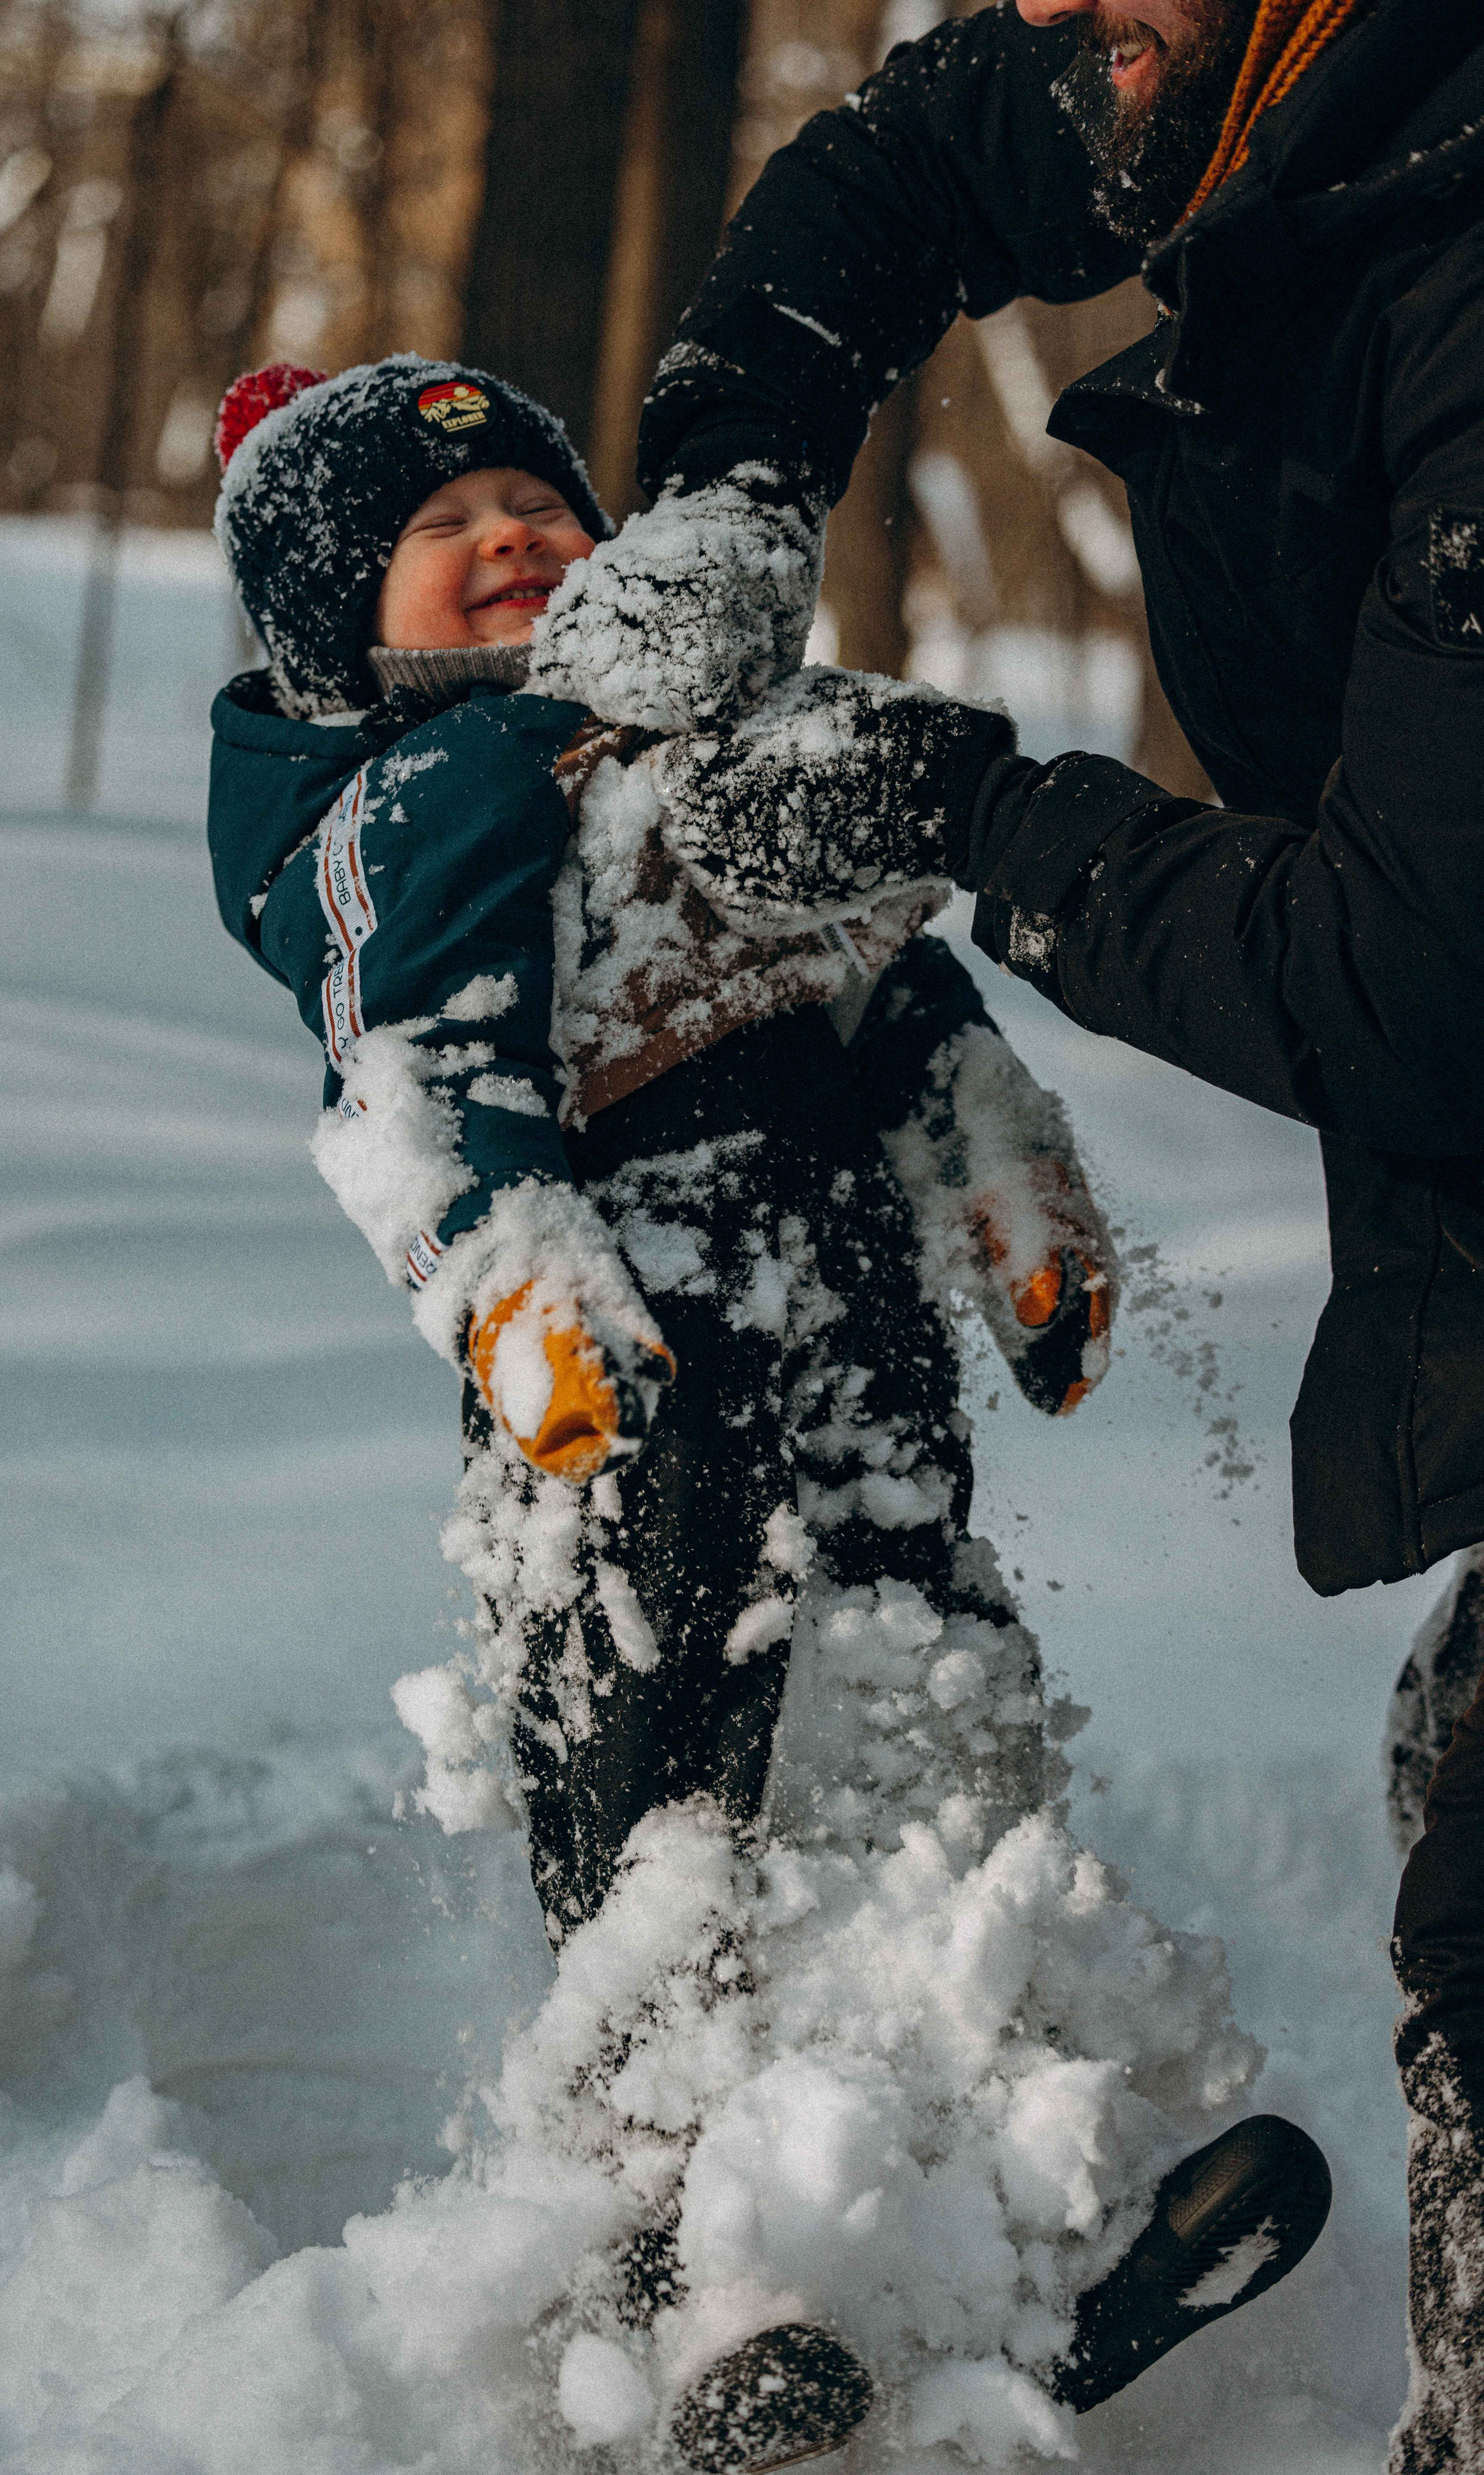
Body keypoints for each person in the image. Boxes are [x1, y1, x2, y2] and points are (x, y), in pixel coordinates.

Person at [206, 353, 1328, 2469]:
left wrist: (1000, 1173)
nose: (512, 536)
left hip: (865, 1361)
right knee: (676, 1832)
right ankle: (690, 2281)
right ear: (335, 635)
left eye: (536, 500)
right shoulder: (408, 803)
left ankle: (1002, 2225)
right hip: (627, 1416)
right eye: (439, 538)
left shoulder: (728, 753)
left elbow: (896, 989)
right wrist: (514, 1282)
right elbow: (413, 1066)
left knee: (933, 1738)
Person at [524, 0, 1484, 2461]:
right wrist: (731, 483)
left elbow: (1413, 978)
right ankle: (758, 2226)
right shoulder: (1261, 85)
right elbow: (907, 167)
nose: (1043, 14)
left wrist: (963, 810)